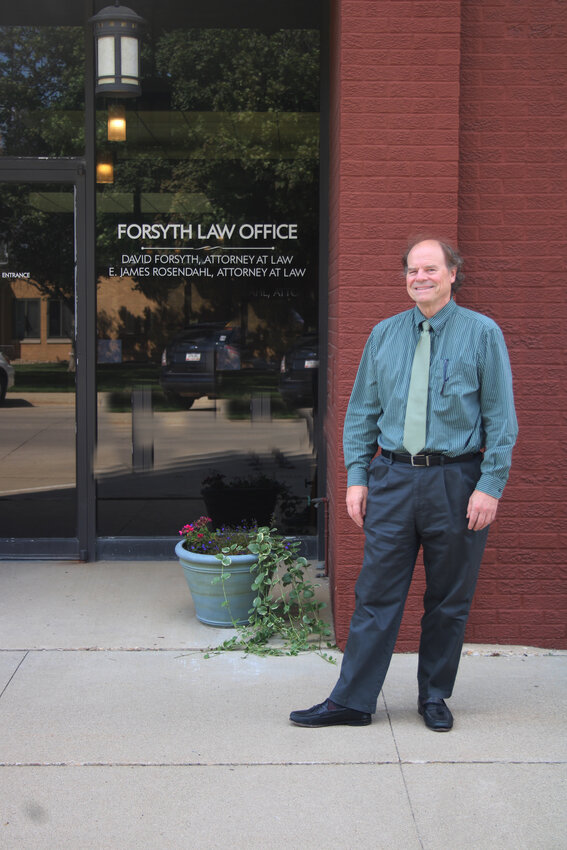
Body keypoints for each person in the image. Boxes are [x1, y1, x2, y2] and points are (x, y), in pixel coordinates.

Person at [290, 237, 518, 731]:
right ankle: (352, 701)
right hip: (391, 478)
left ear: (452, 274)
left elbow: (502, 418)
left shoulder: (482, 334)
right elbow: (361, 413)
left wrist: (491, 484)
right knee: (375, 595)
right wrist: (356, 478)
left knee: (448, 600)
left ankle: (434, 696)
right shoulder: (384, 335)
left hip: (457, 482)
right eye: (413, 270)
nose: (420, 277)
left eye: (430, 269)